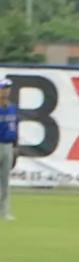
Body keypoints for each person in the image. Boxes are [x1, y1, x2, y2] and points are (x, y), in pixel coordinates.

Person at [0, 78, 17, 222]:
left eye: (7, 88)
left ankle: (4, 211)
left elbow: (14, 126)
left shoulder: (12, 107)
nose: (5, 90)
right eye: (3, 88)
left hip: (7, 145)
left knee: (5, 180)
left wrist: (16, 146)